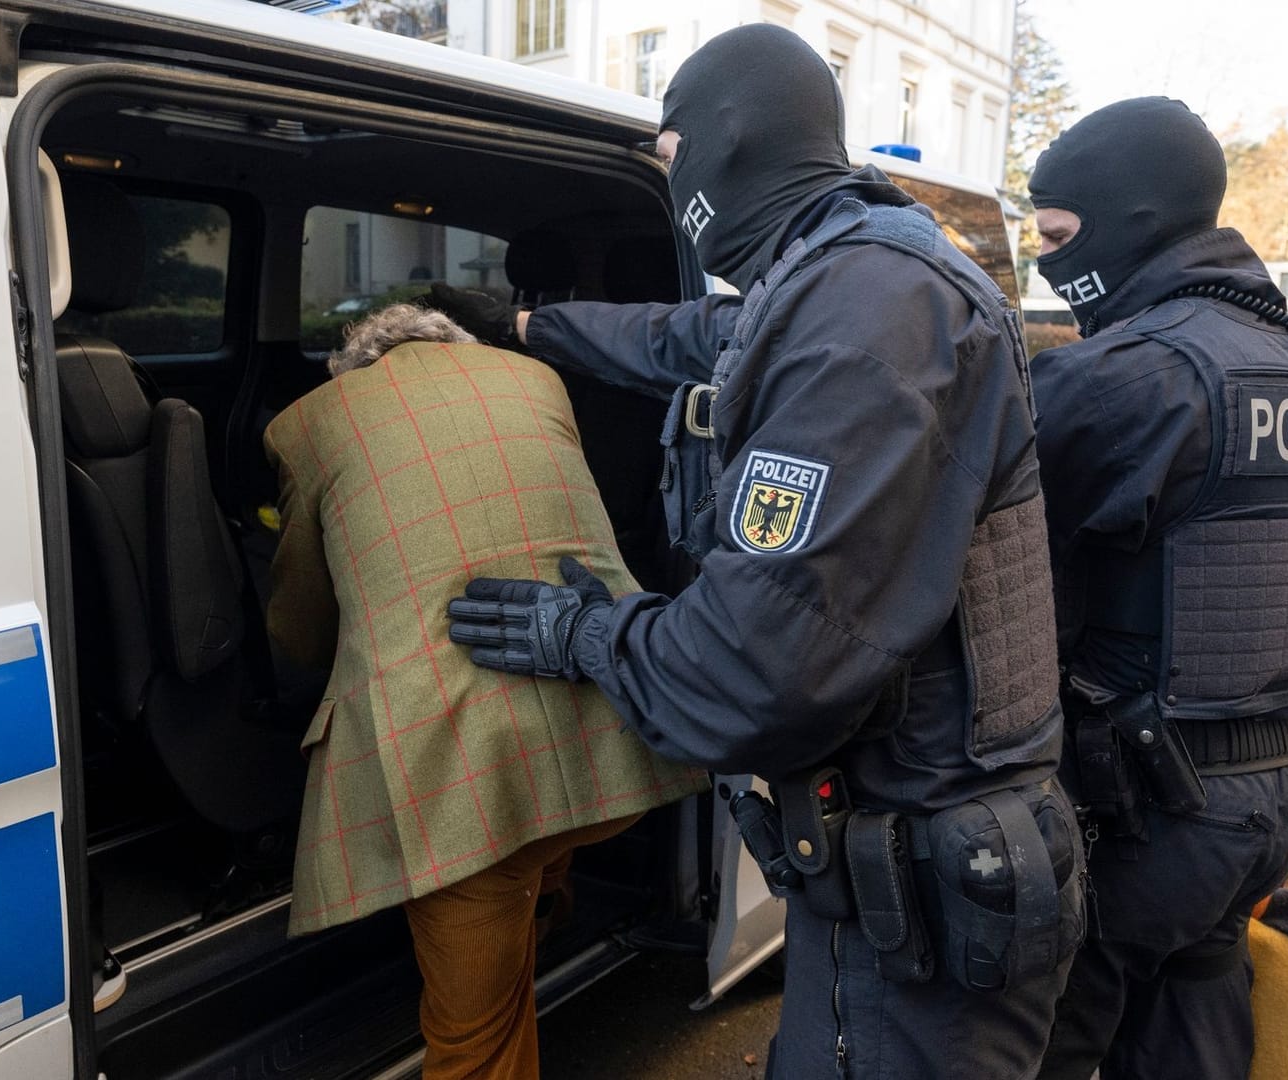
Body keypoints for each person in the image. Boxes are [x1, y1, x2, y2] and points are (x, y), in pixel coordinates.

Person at [433, 25, 1081, 1079]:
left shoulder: (869, 312)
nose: (672, 179)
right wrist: (528, 328)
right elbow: (681, 337)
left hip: (921, 874)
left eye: (671, 154)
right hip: (903, 861)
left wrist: (586, 633)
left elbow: (749, 671)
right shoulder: (836, 278)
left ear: (727, 140)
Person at [1023, 97, 1288, 1080]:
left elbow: (1008, 616)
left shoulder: (1114, 381)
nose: (1048, 266)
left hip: (1129, 816)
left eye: (1059, 237)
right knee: (1197, 1035)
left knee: (1046, 1046)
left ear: (1129, 222)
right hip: (1270, 805)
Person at [261, 304, 705, 1080]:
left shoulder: (312, 424)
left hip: (466, 783)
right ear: (459, 353)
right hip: (619, 738)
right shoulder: (538, 381)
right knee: (534, 855)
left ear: (356, 372)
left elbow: (301, 631)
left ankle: (522, 913)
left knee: (475, 1042)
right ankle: (543, 903)